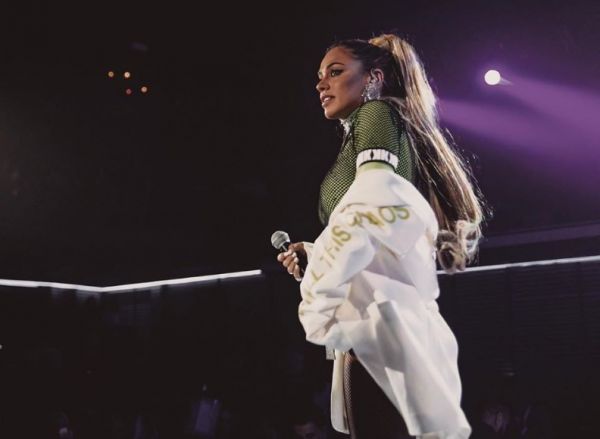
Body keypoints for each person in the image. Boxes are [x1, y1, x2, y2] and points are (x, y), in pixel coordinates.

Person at [277, 34, 485, 439]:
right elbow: (375, 223)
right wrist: (317, 253)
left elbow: (374, 204)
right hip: (377, 327)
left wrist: (320, 288)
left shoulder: (376, 114)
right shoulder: (365, 131)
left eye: (335, 72)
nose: (321, 84)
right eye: (320, 75)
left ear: (373, 78)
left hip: (379, 325)